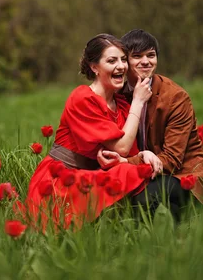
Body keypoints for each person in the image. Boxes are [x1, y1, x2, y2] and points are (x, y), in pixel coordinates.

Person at [18, 34, 153, 230]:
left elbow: (127, 153)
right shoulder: (82, 98)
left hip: (91, 174)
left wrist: (143, 153)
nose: (121, 66)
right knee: (127, 172)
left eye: (123, 59)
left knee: (134, 169)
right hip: (61, 179)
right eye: (111, 60)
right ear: (94, 67)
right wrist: (139, 102)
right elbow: (122, 147)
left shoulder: (122, 105)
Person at [98, 29, 203, 220]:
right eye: (137, 56)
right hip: (140, 171)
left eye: (151, 55)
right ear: (125, 62)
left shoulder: (176, 98)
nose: (146, 61)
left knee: (144, 200)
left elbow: (172, 160)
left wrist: (127, 163)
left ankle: (178, 229)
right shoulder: (117, 96)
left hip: (182, 174)